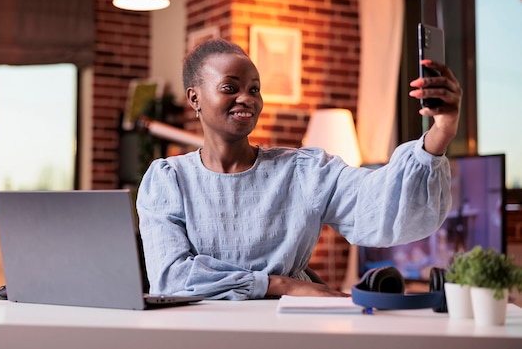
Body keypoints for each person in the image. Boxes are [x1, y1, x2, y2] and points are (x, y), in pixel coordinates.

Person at [136, 38, 462, 300]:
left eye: (254, 89)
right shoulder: (168, 179)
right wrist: (281, 285)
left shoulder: (303, 170)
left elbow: (382, 203)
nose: (246, 99)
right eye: (230, 88)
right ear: (195, 98)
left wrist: (441, 132)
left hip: (293, 327)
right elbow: (171, 279)